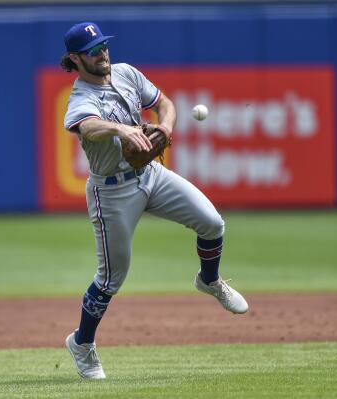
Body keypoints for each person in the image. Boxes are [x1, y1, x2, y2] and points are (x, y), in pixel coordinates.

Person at [60, 22, 248, 380]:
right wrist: (121, 128)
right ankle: (81, 344)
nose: (102, 54)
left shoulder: (127, 73)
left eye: (103, 46)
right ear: (74, 58)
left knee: (212, 222)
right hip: (111, 192)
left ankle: (209, 280)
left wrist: (166, 127)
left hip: (151, 175)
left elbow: (164, 104)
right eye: (92, 50)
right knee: (111, 278)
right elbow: (87, 128)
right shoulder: (80, 99)